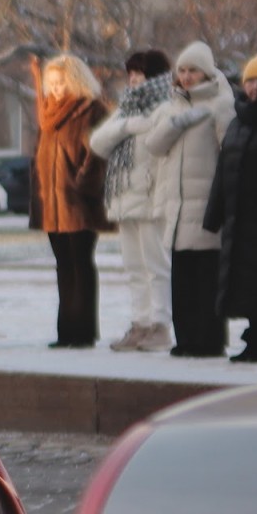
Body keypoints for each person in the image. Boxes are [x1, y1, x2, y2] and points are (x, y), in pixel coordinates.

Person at [145, 41, 234, 358]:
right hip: (178, 208)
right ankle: (186, 340)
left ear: (206, 72)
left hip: (207, 207)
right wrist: (178, 122)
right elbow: (153, 146)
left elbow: (229, 152)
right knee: (181, 279)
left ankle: (209, 341)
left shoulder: (221, 105)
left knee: (206, 278)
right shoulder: (171, 107)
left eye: (192, 70)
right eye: (181, 71)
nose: (186, 77)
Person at [89, 50, 174, 352]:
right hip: (125, 197)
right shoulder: (127, 108)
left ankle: (160, 325)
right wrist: (126, 126)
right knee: (135, 267)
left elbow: (159, 147)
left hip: (151, 197)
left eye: (140, 73)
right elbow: (98, 142)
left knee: (156, 266)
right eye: (132, 73)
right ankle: (141, 323)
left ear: (156, 77)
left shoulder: (167, 106)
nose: (134, 79)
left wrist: (139, 126)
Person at [29, 54, 112, 349]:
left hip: (79, 204)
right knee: (63, 265)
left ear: (75, 80)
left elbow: (100, 152)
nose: (55, 88)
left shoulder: (92, 110)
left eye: (61, 82)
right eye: (51, 83)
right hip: (52, 204)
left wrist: (82, 184)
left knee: (80, 265)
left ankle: (84, 331)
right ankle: (66, 331)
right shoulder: (47, 114)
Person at [206, 54, 257, 363]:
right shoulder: (237, 121)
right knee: (247, 284)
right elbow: (224, 169)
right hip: (240, 219)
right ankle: (255, 340)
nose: (256, 87)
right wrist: (213, 214)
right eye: (251, 81)